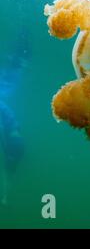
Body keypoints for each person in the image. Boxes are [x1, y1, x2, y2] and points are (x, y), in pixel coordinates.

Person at [0, 31, 28, 205]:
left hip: (12, 137)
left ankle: (5, 196)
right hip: (14, 136)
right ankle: (5, 196)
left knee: (10, 167)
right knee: (10, 169)